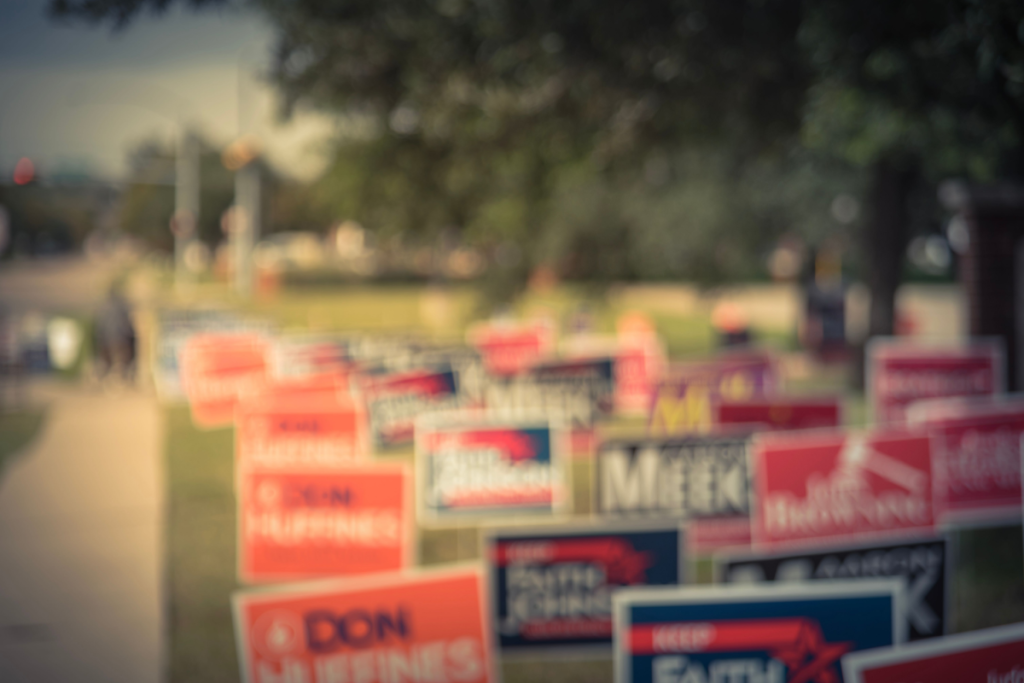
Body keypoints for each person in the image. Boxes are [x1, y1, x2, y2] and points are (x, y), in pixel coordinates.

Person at [94, 285, 136, 383]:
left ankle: (112, 378)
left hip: (107, 338)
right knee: (120, 360)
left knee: (111, 361)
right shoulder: (122, 305)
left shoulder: (103, 306)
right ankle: (118, 378)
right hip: (120, 338)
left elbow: (100, 324)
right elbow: (127, 322)